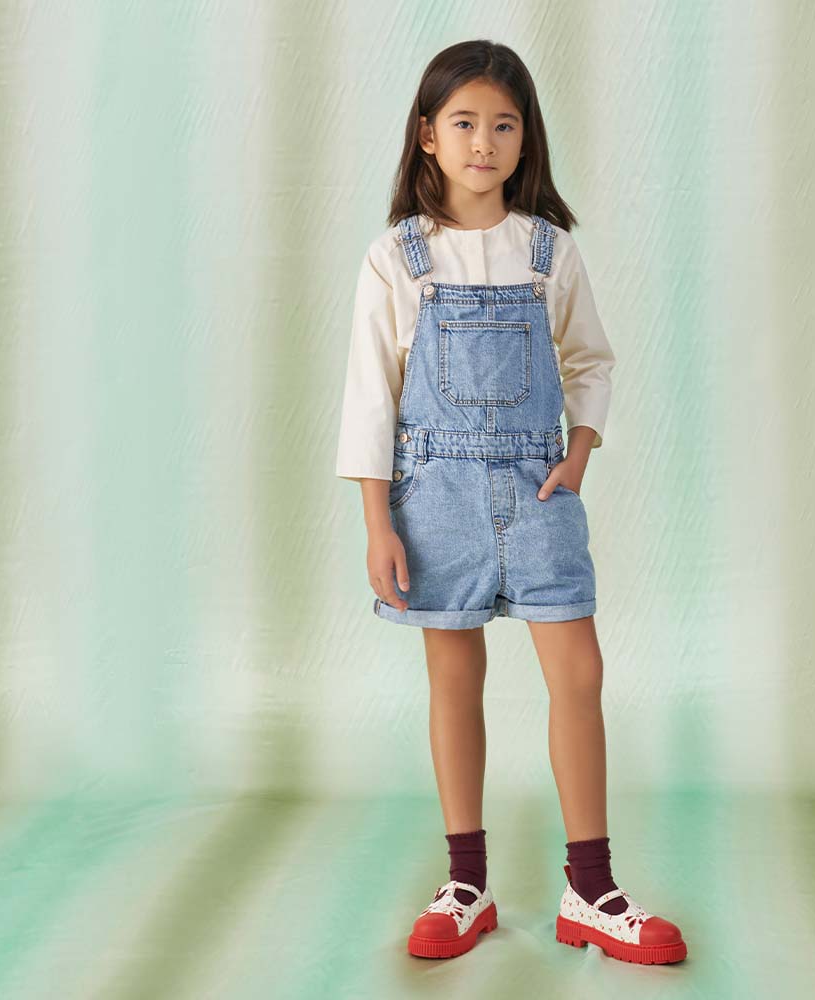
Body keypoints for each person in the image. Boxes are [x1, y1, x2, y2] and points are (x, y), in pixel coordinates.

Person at [335, 39, 688, 966]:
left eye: (503, 125)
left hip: (539, 489)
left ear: (526, 139)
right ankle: (467, 883)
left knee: (579, 673)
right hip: (433, 492)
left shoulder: (548, 250)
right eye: (464, 123)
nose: (483, 142)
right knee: (455, 678)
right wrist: (377, 522)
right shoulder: (397, 257)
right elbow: (370, 396)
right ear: (427, 135)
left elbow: (590, 358)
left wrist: (580, 452)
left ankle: (591, 889)